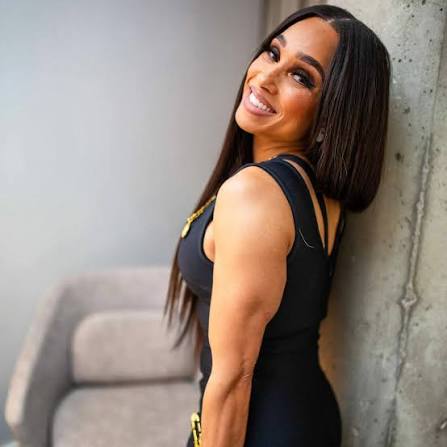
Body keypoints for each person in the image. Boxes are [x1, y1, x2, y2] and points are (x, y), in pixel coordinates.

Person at [164, 4, 391, 446]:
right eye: (273, 53)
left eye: (301, 77)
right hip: (306, 412)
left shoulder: (255, 194)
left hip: (257, 429)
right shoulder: (315, 187)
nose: (265, 77)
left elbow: (233, 378)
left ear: (332, 113)